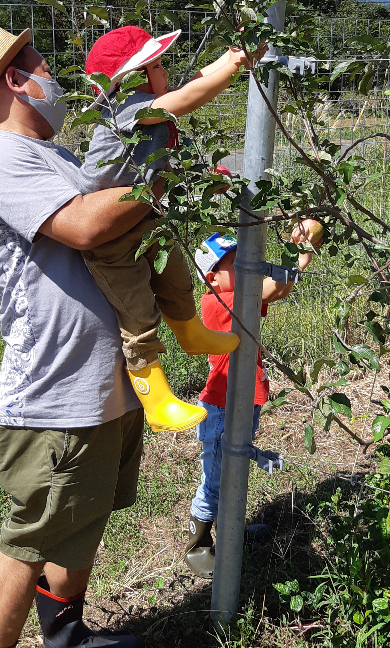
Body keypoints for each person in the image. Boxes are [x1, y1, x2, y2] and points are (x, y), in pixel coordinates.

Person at [0, 24, 162, 648]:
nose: (56, 83)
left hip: (100, 387)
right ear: (16, 80)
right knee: (30, 538)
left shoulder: (59, 157)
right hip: (51, 395)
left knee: (80, 518)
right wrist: (159, 181)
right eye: (46, 70)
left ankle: (65, 637)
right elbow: (87, 226)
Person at [77, 26, 266, 433]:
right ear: (133, 80)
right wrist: (234, 66)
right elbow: (185, 98)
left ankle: (191, 333)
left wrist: (233, 55)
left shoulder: (144, 102)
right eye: (158, 65)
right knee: (137, 314)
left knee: (176, 278)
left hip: (143, 218)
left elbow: (188, 86)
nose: (167, 72)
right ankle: (158, 401)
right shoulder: (124, 108)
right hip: (110, 236)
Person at [183, 224, 320, 579]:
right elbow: (272, 287)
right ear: (212, 277)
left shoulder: (237, 297)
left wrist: (301, 256)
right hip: (222, 406)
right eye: (233, 263)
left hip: (243, 400)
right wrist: (300, 255)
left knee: (235, 469)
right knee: (216, 476)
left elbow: (277, 291)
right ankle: (197, 545)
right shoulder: (219, 301)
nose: (244, 266)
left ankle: (231, 531)